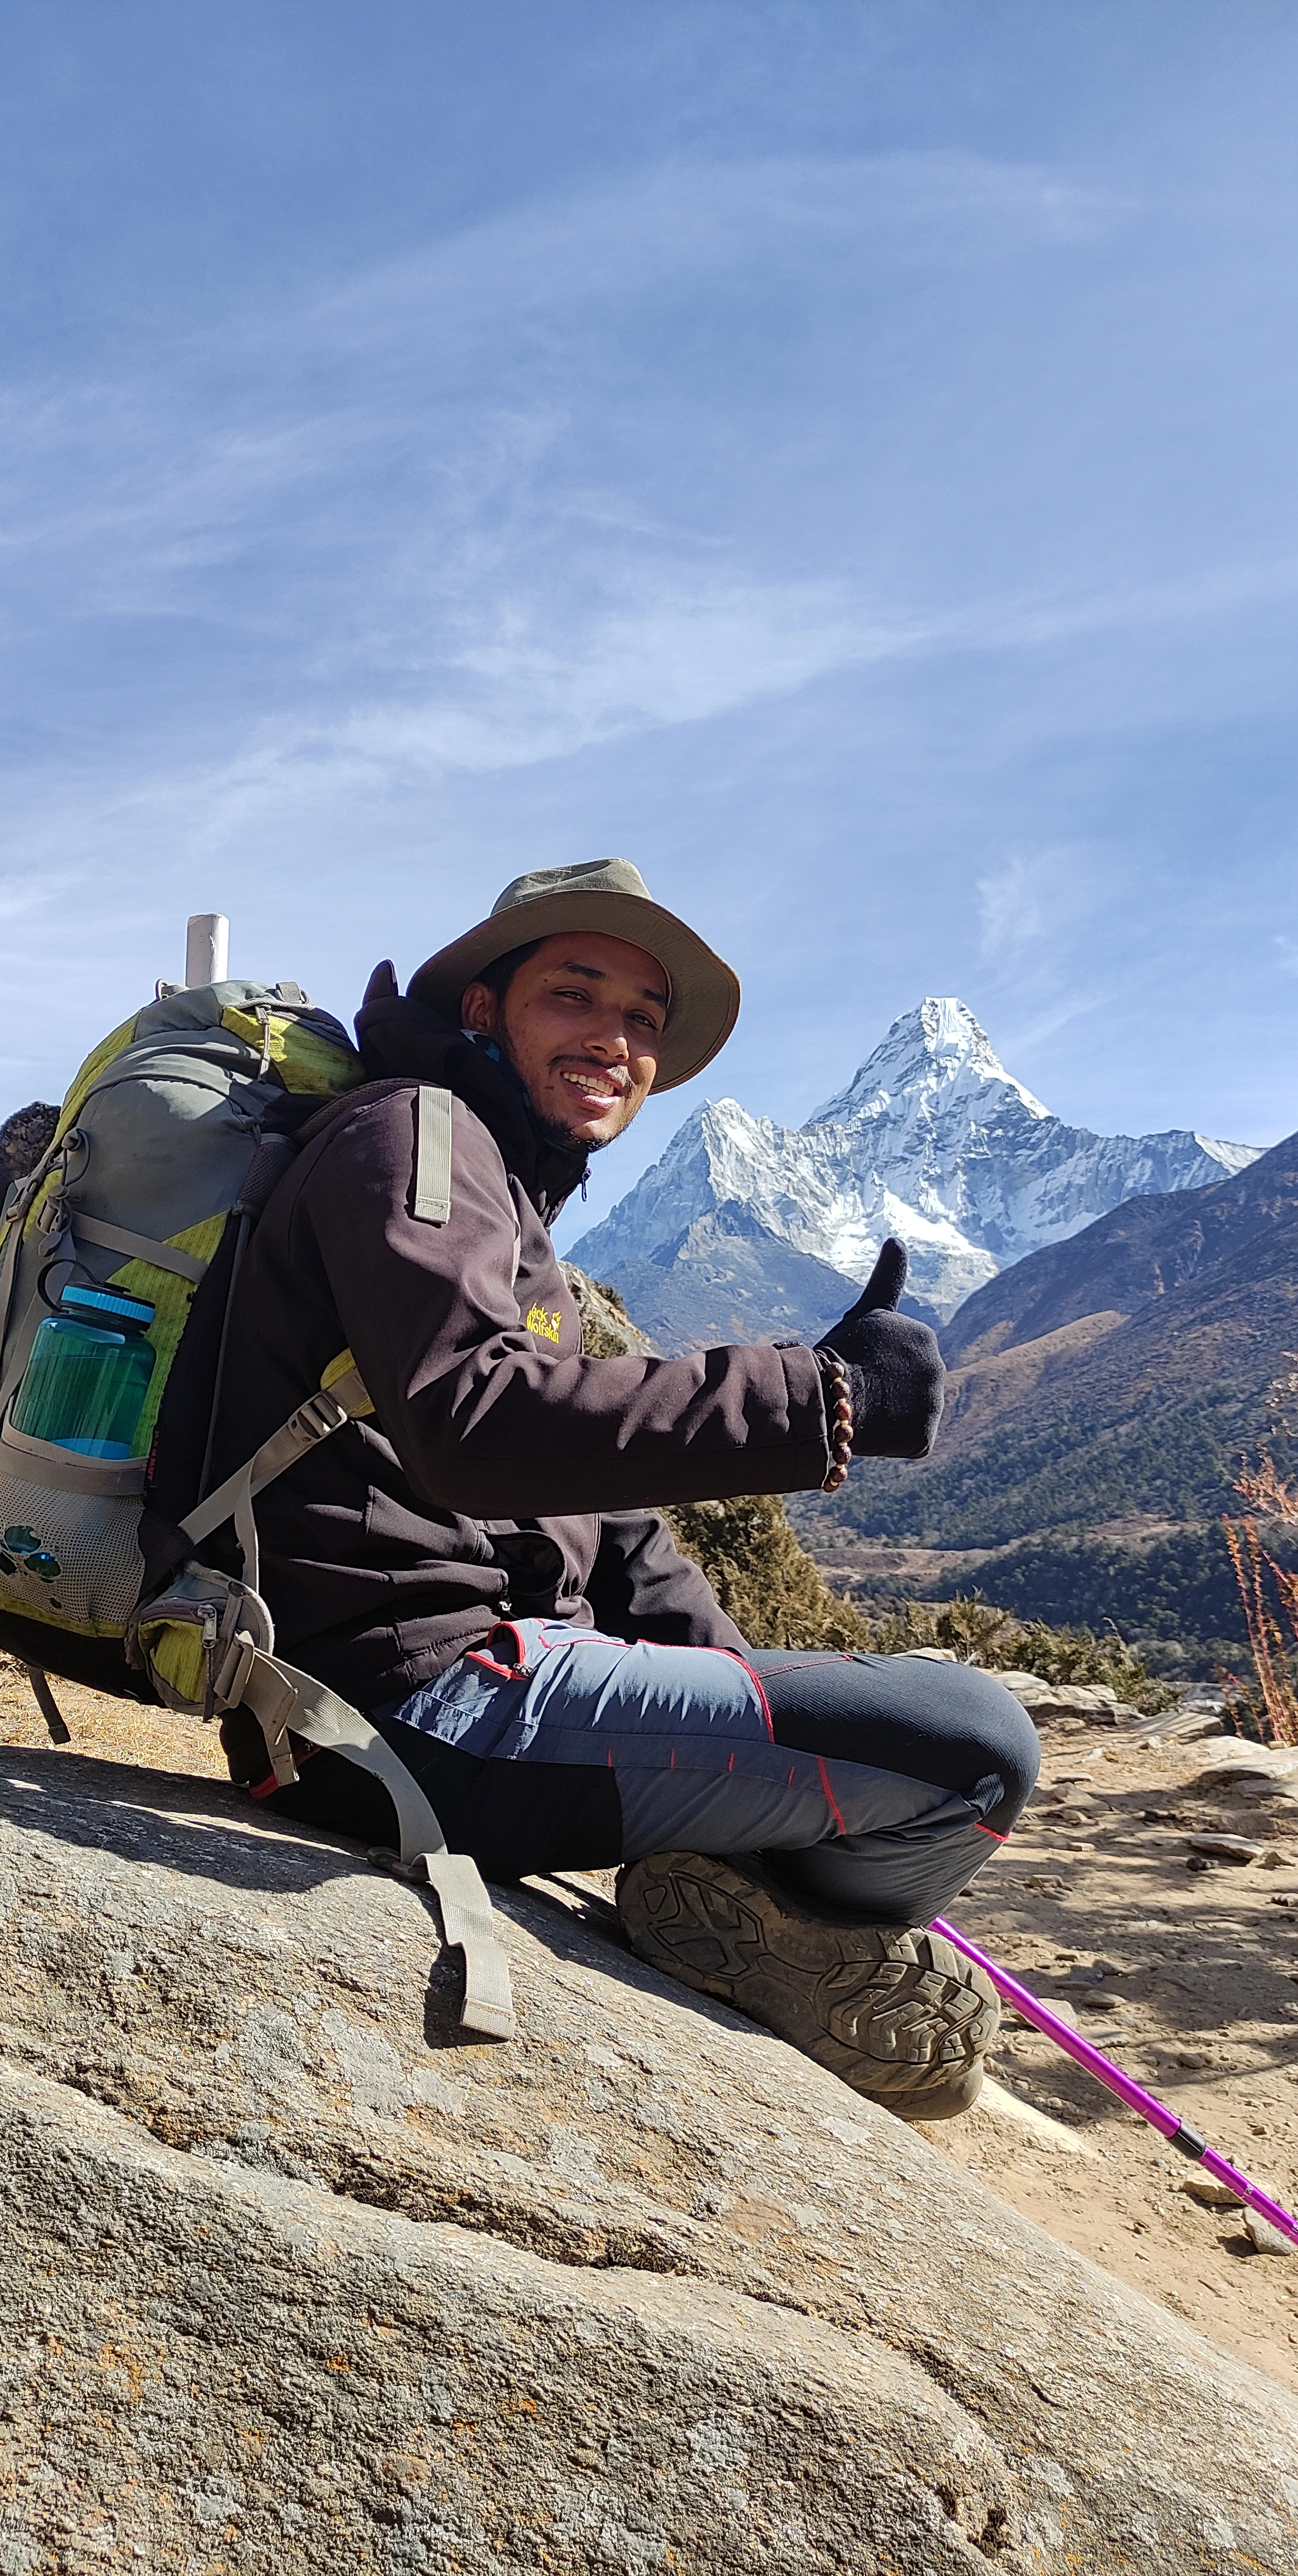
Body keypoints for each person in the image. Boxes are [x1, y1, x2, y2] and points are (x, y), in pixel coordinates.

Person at [202, 859, 1038, 2116]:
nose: (616, 1038)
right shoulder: (412, 1136)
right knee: (976, 1753)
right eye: (574, 994)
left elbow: (609, 1528)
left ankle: (751, 1902)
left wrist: (761, 1696)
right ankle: (792, 1942)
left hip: (452, 1694)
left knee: (899, 1725)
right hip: (404, 1708)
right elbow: (472, 1426)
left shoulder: (499, 1186)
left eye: (643, 1017)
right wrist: (816, 1397)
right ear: (484, 1008)